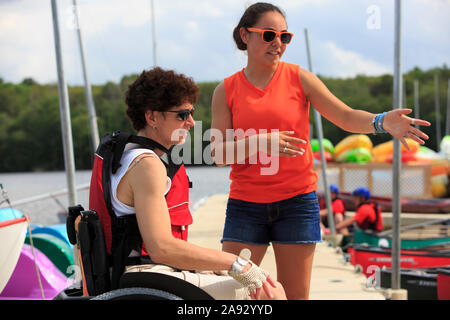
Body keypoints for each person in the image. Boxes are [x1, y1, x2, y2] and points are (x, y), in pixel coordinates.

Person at [210, 2, 430, 300]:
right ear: (245, 35)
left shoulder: (299, 78)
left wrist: (381, 122)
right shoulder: (226, 90)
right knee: (229, 295)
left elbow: (346, 117)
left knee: (294, 297)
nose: (278, 43)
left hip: (296, 204)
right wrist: (263, 142)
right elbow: (219, 154)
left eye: (284, 37)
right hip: (245, 206)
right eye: (269, 35)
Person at [112, 67, 286, 300]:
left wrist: (217, 265)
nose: (192, 122)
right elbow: (162, 248)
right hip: (145, 276)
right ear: (152, 117)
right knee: (270, 292)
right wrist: (237, 264)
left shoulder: (125, 155)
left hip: (138, 271)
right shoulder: (147, 165)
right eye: (182, 115)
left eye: (191, 113)